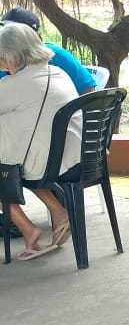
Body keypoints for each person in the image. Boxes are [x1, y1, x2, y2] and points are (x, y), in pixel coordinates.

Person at [0, 21, 81, 260]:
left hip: (48, 164)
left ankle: (28, 229)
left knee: (4, 169)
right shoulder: (58, 73)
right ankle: (59, 212)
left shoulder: (14, 84)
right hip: (74, 158)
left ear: (14, 54)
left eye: (1, 57)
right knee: (16, 157)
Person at [0, 7, 98, 94]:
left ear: (32, 35)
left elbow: (87, 89)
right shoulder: (3, 59)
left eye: (14, 33)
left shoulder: (55, 55)